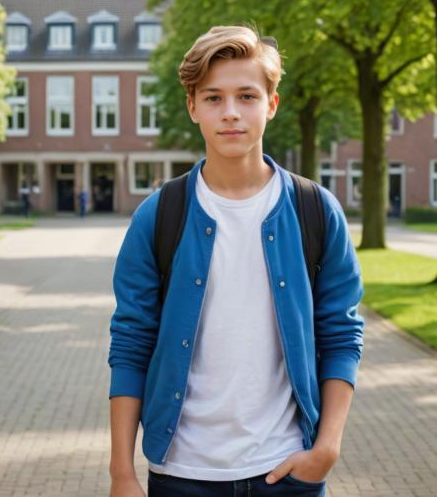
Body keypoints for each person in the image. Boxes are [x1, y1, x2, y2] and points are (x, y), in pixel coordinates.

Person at [107, 25, 364, 497]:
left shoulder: (316, 210)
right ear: (193, 108)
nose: (230, 114)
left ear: (271, 105)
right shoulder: (158, 216)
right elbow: (130, 341)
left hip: (288, 473)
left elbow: (341, 332)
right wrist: (121, 473)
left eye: (246, 96)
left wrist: (326, 448)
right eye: (213, 98)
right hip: (182, 476)